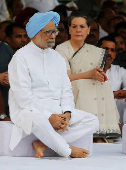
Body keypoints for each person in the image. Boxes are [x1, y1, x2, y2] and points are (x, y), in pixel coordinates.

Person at [8, 11, 99, 158]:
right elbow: (23, 97)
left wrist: (67, 112)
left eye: (54, 31)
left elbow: (66, 89)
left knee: (92, 120)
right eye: (48, 32)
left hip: (57, 110)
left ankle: (43, 143)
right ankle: (67, 150)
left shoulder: (57, 57)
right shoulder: (20, 58)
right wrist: (49, 116)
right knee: (37, 119)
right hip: (31, 110)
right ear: (35, 33)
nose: (53, 36)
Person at [56, 10, 120, 142]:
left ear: (89, 30)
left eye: (82, 26)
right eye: (74, 26)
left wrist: (100, 76)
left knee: (103, 84)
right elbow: (64, 79)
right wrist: (90, 74)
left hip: (91, 86)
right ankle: (85, 131)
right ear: (69, 29)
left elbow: (97, 75)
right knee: (84, 84)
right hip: (69, 90)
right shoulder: (61, 50)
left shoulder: (95, 51)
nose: (78, 30)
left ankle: (100, 131)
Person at [97, 36, 126, 133]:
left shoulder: (119, 70)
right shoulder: (88, 70)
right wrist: (113, 95)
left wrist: (123, 93)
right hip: (94, 114)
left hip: (115, 116)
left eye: (112, 50)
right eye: (105, 49)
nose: (109, 53)